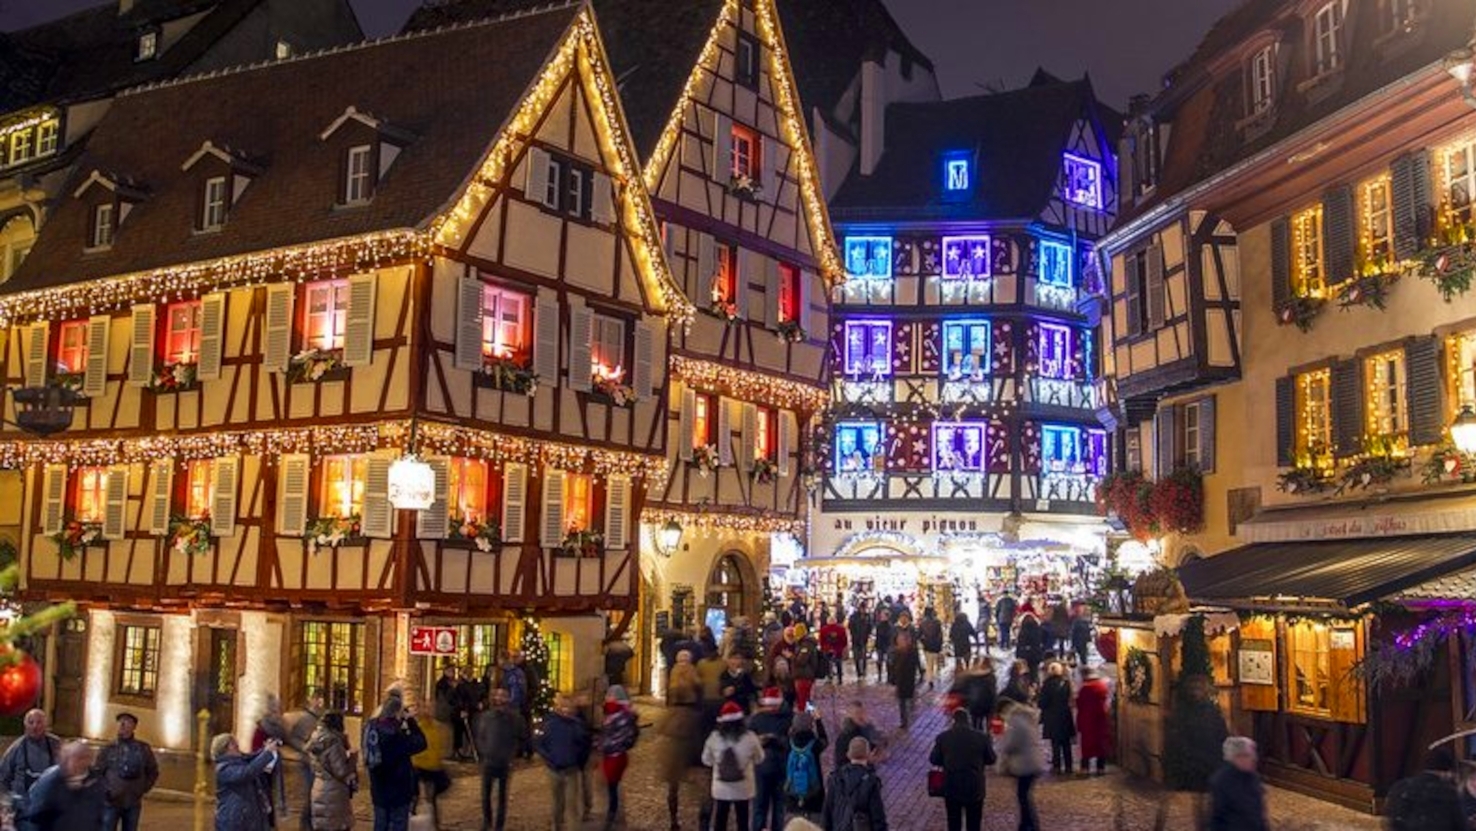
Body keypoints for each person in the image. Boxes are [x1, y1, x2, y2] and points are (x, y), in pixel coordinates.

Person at [363, 689, 429, 831]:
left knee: (380, 824)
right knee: (398, 824)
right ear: (397, 714)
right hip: (398, 791)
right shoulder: (396, 737)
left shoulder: (371, 729)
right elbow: (421, 743)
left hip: (378, 788)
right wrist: (411, 721)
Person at [930, 709, 997, 831]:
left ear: (953, 721)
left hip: (952, 785)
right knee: (974, 823)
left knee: (953, 822)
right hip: (974, 786)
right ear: (969, 721)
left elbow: (934, 759)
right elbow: (992, 759)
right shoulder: (982, 737)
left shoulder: (943, 737)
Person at [702, 702, 764, 831]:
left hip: (721, 788)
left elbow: (706, 760)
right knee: (743, 820)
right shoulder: (750, 738)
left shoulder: (714, 737)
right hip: (743, 788)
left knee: (720, 819)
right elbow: (760, 759)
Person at [660, 651, 705, 831]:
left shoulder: (673, 674)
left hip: (674, 722)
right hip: (690, 722)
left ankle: (674, 819)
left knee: (673, 783)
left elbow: (669, 698)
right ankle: (701, 819)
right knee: (698, 774)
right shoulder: (692, 673)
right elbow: (699, 691)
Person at [93, 712, 159, 831]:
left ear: (134, 726)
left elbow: (152, 771)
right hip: (111, 801)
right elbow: (97, 772)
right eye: (120, 721)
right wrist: (106, 790)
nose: (123, 724)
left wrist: (142, 789)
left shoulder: (143, 749)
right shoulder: (108, 748)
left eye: (127, 721)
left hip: (132, 802)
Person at [536, 694, 592, 831]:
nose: (566, 710)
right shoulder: (549, 724)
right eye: (563, 707)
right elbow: (539, 743)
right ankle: (556, 826)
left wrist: (579, 762)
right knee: (557, 802)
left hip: (571, 770)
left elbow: (584, 746)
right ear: (557, 708)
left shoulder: (577, 726)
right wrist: (549, 759)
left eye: (569, 707)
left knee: (572, 804)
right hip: (554, 770)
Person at [0, 709, 62, 831]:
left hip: (50, 806)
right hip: (24, 810)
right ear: (25, 726)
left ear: (45, 725)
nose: (35, 726)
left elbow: (66, 771)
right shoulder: (16, 748)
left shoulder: (56, 745)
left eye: (39, 722)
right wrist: (7, 803)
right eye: (31, 722)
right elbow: (2, 778)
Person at [473, 688, 525, 831]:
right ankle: (487, 821)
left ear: (508, 698)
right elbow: (480, 736)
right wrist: (484, 751)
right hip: (489, 760)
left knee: (502, 796)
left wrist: (512, 755)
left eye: (503, 695)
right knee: (485, 795)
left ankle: (499, 825)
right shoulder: (486, 717)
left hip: (504, 762)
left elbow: (520, 738)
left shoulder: (515, 718)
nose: (500, 698)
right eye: (497, 695)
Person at [25, 741, 104, 831]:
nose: (82, 763)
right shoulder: (50, 781)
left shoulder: (95, 781)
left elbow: (98, 815)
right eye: (77, 758)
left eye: (85, 757)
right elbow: (35, 815)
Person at [1384, 747, 1467, 831]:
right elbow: (1461, 827)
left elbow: (1389, 820)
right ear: (1447, 771)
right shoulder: (1449, 793)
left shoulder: (1399, 786)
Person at [212, 733, 281, 831]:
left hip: (245, 818)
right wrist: (267, 753)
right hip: (233, 820)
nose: (237, 745)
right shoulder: (223, 769)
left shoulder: (239, 761)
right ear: (226, 748)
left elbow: (251, 757)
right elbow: (246, 773)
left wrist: (266, 749)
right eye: (233, 744)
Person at [747, 687, 793, 831]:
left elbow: (792, 743)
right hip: (765, 768)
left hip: (776, 767)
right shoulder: (757, 719)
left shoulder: (788, 718)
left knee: (776, 806)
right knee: (762, 806)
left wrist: (778, 740)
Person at [821, 737, 887, 831]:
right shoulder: (871, 782)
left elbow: (827, 813)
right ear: (867, 754)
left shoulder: (836, 778)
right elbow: (878, 818)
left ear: (849, 755)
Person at [306, 712, 357, 831]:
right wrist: (353, 757)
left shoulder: (316, 738)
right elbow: (341, 771)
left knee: (323, 824)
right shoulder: (333, 742)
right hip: (334, 790)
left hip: (319, 786)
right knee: (335, 825)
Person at [998, 701, 1043, 831]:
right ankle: (1026, 823)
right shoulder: (1026, 718)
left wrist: (1003, 744)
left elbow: (1010, 744)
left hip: (1025, 764)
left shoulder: (1015, 722)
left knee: (1023, 796)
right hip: (1033, 761)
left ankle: (1029, 824)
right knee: (1025, 794)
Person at [599, 686, 640, 831]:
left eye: (609, 695)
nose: (607, 697)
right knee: (611, 785)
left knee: (611, 785)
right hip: (612, 754)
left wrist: (606, 744)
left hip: (615, 755)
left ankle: (612, 813)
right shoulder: (613, 712)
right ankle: (612, 812)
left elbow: (620, 736)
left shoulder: (620, 714)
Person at [1208, 737, 1268, 831]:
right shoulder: (1221, 781)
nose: (1254, 758)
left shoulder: (1254, 777)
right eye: (1248, 755)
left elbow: (1258, 814)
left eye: (1253, 754)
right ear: (1236, 757)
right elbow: (1217, 818)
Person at [287, 690, 325, 831]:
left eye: (321, 699)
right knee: (310, 795)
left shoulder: (323, 717)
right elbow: (292, 738)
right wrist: (304, 747)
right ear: (312, 700)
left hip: (321, 762)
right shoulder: (305, 718)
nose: (319, 702)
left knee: (319, 795)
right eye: (317, 699)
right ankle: (305, 826)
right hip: (308, 762)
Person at [252, 694, 292, 827]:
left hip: (271, 763)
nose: (277, 711)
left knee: (268, 793)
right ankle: (267, 823)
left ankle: (269, 822)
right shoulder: (264, 725)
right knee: (264, 794)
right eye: (274, 708)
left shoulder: (276, 724)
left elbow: (285, 738)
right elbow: (256, 746)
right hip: (263, 764)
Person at [410, 704, 451, 828]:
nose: (428, 711)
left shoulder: (438, 727)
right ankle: (410, 821)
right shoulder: (418, 726)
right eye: (425, 708)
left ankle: (433, 824)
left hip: (432, 767)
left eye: (430, 708)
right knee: (414, 797)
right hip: (418, 766)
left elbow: (442, 746)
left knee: (430, 798)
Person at [784, 711, 828, 823]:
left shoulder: (788, 744)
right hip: (814, 794)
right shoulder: (815, 745)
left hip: (793, 796)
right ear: (810, 726)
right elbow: (824, 740)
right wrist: (818, 721)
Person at [1037, 662, 1075, 775]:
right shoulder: (1066, 683)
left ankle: (1057, 766)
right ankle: (1069, 766)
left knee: (1055, 743)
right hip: (1065, 715)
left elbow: (1042, 703)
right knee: (1066, 742)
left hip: (1052, 716)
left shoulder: (1046, 685)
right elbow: (1070, 698)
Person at [1076, 667, 1111, 775]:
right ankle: (1101, 767)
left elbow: (1080, 704)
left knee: (1087, 744)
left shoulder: (1085, 688)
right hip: (1101, 718)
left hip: (1087, 719)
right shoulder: (1102, 686)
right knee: (1100, 743)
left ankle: (1085, 768)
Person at [832, 700, 883, 770]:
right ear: (850, 716)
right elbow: (842, 761)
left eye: (863, 712)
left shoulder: (865, 729)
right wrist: (868, 759)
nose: (861, 716)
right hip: (852, 775)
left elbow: (871, 747)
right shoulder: (846, 736)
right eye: (857, 713)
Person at [889, 630, 923, 729]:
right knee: (903, 700)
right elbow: (894, 665)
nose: (899, 641)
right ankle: (905, 720)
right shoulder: (901, 651)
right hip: (904, 678)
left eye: (900, 639)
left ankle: (905, 720)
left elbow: (897, 666)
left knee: (903, 700)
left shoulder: (906, 651)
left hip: (905, 678)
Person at [960, 659, 997, 732]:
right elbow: (992, 693)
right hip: (987, 705)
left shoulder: (970, 677)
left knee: (975, 723)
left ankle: (976, 736)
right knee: (987, 726)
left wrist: (966, 703)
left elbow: (965, 691)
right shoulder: (990, 677)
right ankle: (986, 738)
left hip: (974, 705)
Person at [792, 632, 821, 712]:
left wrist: (791, 657)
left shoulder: (806, 645)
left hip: (804, 675)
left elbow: (801, 660)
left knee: (802, 701)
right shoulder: (806, 644)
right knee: (806, 700)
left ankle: (803, 719)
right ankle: (809, 716)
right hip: (806, 675)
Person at [918, 608, 945, 690]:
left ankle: (930, 679)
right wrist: (940, 644)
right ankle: (937, 675)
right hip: (936, 645)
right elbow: (940, 635)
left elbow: (919, 635)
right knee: (935, 661)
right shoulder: (937, 622)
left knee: (929, 664)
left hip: (927, 645)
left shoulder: (922, 623)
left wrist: (923, 641)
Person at [819, 615, 848, 686]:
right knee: (838, 664)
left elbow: (821, 640)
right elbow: (844, 640)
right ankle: (840, 678)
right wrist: (842, 647)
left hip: (827, 649)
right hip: (838, 649)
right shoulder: (841, 629)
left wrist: (823, 648)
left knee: (828, 664)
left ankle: (829, 677)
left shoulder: (823, 629)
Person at [847, 605, 872, 681]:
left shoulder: (867, 616)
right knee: (857, 657)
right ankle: (859, 672)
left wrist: (867, 634)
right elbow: (850, 626)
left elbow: (870, 626)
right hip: (856, 639)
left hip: (864, 639)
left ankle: (863, 671)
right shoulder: (854, 617)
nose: (863, 610)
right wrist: (854, 634)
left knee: (864, 656)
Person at [872, 609, 892, 684]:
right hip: (880, 645)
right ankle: (880, 675)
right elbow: (877, 636)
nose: (881, 617)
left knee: (888, 661)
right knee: (879, 661)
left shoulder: (889, 625)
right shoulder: (879, 625)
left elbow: (889, 636)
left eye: (883, 615)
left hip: (886, 645)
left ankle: (888, 676)